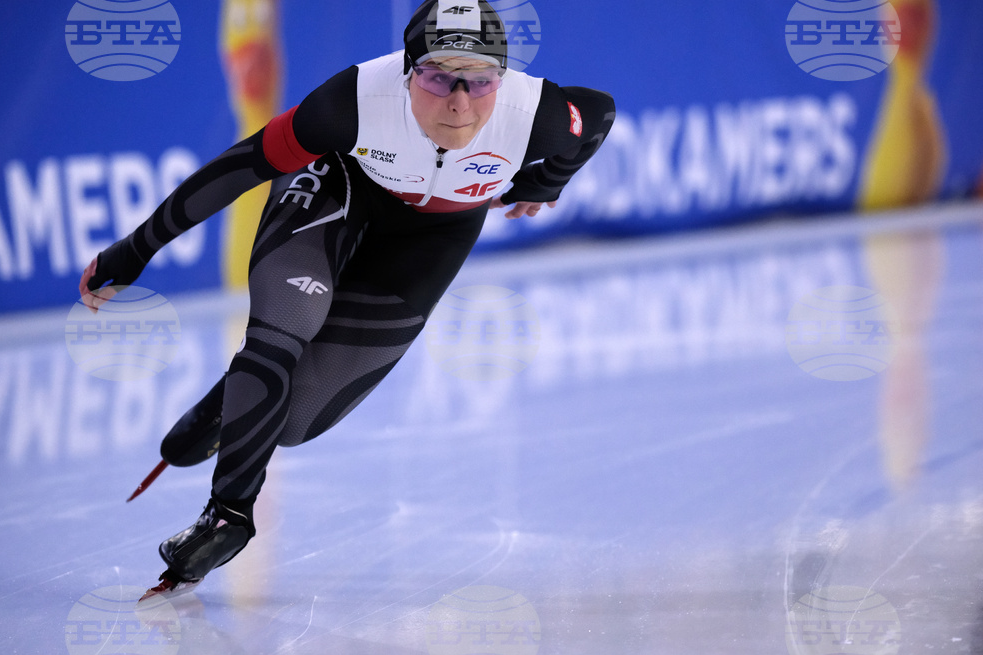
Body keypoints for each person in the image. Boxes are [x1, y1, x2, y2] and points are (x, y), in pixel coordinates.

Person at [79, 0, 615, 595]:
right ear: (407, 71)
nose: (460, 103)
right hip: (339, 187)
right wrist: (136, 248)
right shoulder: (352, 102)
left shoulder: (536, 114)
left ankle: (233, 398)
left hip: (432, 237)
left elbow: (598, 115)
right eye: (439, 77)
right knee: (283, 327)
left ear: (503, 78)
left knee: (294, 420)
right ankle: (227, 516)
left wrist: (549, 180)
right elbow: (240, 167)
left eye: (480, 80)